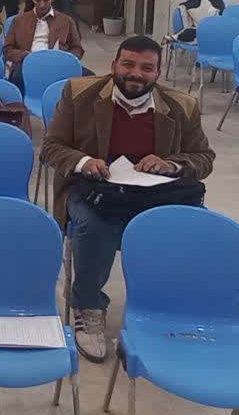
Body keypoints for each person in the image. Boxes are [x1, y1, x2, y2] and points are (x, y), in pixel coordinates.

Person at [40, 36, 214, 363]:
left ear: (158, 73)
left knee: (187, 227)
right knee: (96, 227)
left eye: (147, 68)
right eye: (128, 64)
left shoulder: (182, 106)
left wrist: (172, 164)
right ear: (114, 65)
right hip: (94, 190)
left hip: (155, 193)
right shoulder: (79, 94)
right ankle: (88, 305)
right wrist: (83, 161)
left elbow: (204, 157)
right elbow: (51, 147)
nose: (136, 74)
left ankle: (160, 309)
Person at [3, 0, 85, 91]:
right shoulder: (19, 21)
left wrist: (63, 58)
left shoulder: (66, 21)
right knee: (17, 78)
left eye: (46, 0)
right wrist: (24, 55)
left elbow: (78, 49)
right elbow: (7, 50)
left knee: (89, 78)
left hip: (57, 63)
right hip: (28, 62)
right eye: (38, 0)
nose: (42, 5)